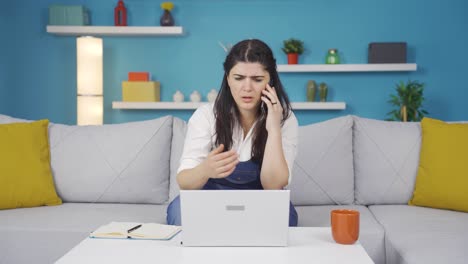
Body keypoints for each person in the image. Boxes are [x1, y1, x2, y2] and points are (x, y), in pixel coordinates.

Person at [167, 39, 299, 226]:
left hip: (261, 203)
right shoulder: (206, 115)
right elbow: (185, 182)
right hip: (210, 201)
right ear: (228, 79)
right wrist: (205, 169)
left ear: (271, 81)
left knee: (284, 216)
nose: (247, 88)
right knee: (180, 210)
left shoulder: (286, 119)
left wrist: (274, 129)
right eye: (238, 78)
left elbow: (273, 186)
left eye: (257, 79)